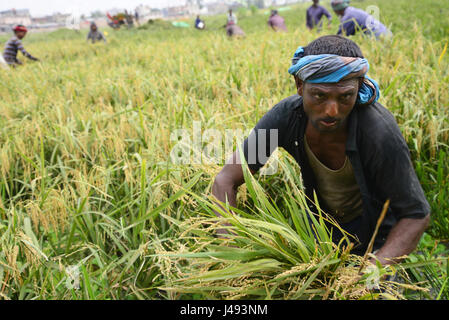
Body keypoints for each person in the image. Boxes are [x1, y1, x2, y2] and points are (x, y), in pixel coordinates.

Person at [212, 35, 430, 265]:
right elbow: (225, 180)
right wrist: (231, 251)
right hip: (320, 233)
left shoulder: (377, 131)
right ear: (299, 85)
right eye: (320, 96)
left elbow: (416, 215)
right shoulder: (286, 118)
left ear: (358, 88)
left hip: (378, 237)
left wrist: (373, 269)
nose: (332, 111)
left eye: (346, 96)